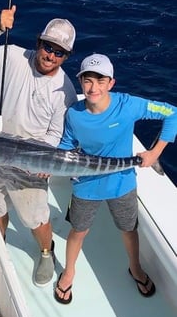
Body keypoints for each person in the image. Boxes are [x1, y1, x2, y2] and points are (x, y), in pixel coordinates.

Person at [0, 5, 77, 287]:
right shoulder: (12, 56)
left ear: (66, 56)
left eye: (59, 52)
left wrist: (41, 160)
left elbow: (55, 134)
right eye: (48, 46)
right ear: (39, 42)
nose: (51, 55)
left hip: (31, 164)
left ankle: (47, 253)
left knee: (35, 218)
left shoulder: (66, 91)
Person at [54, 53, 177, 304]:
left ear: (111, 83)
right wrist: (50, 163)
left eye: (101, 81)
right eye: (88, 81)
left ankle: (135, 268)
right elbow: (66, 146)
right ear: (80, 82)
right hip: (86, 185)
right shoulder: (74, 114)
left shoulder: (127, 105)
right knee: (78, 230)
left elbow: (172, 113)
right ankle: (69, 271)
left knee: (129, 230)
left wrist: (154, 153)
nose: (93, 87)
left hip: (122, 183)